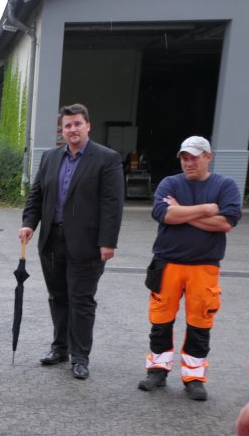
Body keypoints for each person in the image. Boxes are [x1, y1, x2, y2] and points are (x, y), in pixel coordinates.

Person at [18, 103, 123, 380]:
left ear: (87, 125)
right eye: (67, 125)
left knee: (81, 299)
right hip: (52, 239)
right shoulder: (51, 158)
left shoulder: (106, 159)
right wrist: (29, 224)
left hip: (87, 243)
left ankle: (80, 356)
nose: (73, 129)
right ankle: (60, 347)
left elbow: (112, 204)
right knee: (58, 297)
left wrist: (107, 242)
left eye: (77, 124)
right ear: (62, 130)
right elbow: (36, 194)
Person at [136, 136, 241, 401]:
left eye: (194, 157)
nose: (188, 162)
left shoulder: (225, 185)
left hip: (204, 266)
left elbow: (226, 223)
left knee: (200, 322)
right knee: (160, 320)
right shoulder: (170, 183)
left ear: (208, 157)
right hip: (167, 262)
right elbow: (165, 215)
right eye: (184, 157)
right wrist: (205, 209)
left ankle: (194, 377)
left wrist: (182, 212)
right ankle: (157, 370)